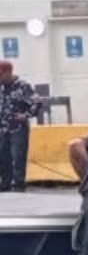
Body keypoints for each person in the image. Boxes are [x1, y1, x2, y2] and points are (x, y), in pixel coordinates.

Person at [0, 60, 39, 192]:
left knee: (18, 157)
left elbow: (37, 102)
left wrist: (26, 115)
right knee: (3, 157)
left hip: (18, 129)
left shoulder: (23, 86)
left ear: (8, 73)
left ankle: (18, 185)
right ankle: (5, 184)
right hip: (2, 128)